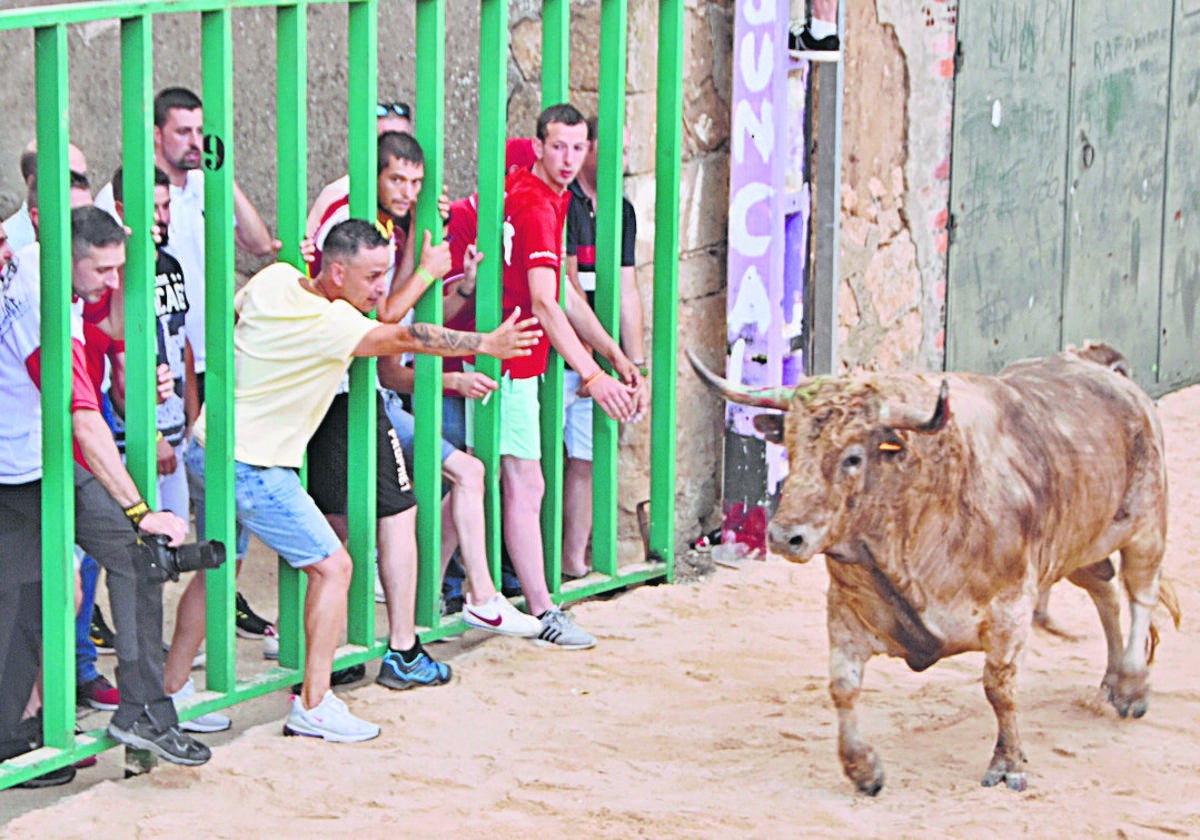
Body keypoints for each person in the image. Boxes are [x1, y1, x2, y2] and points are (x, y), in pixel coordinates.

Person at [177, 219, 540, 741]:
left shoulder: (274, 280)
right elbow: (405, 333)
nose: (378, 288)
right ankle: (315, 703)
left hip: (207, 446)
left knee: (216, 571)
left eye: (384, 275)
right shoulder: (335, 325)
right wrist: (486, 341)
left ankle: (172, 693)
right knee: (334, 567)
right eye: (372, 276)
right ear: (338, 270)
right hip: (250, 466)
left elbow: (241, 312)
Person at [0, 207, 212, 779]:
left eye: (119, 268)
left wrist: (127, 255)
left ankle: (143, 709)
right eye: (104, 270)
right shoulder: (42, 303)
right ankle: (12, 739)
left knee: (134, 558)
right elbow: (84, 422)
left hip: (37, 464)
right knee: (21, 604)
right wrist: (140, 508)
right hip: (19, 471)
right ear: (71, 259)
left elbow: (114, 328)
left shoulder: (45, 267)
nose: (113, 282)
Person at [464, 103, 646, 649]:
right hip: (508, 356)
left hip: (510, 355)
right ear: (540, 145)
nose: (570, 158)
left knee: (475, 478)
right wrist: (594, 375)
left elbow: (564, 291)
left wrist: (611, 350)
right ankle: (539, 608)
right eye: (559, 146)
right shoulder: (538, 204)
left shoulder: (546, 195)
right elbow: (546, 301)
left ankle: (469, 595)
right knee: (523, 481)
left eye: (578, 147)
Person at [560, 118, 647, 580]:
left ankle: (573, 563)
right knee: (532, 460)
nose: (624, 161)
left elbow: (628, 292)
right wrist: (593, 363)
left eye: (629, 151)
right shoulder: (567, 203)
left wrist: (636, 366)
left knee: (588, 455)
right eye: (616, 148)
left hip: (599, 359)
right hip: (566, 353)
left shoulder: (621, 210)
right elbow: (568, 288)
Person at [305, 100, 414, 237]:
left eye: (403, 141)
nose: (397, 151)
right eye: (385, 141)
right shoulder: (339, 195)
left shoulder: (417, 194)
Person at [3, 140, 89, 254]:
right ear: (33, 181)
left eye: (83, 176)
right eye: (69, 177)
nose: (80, 183)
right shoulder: (11, 245)